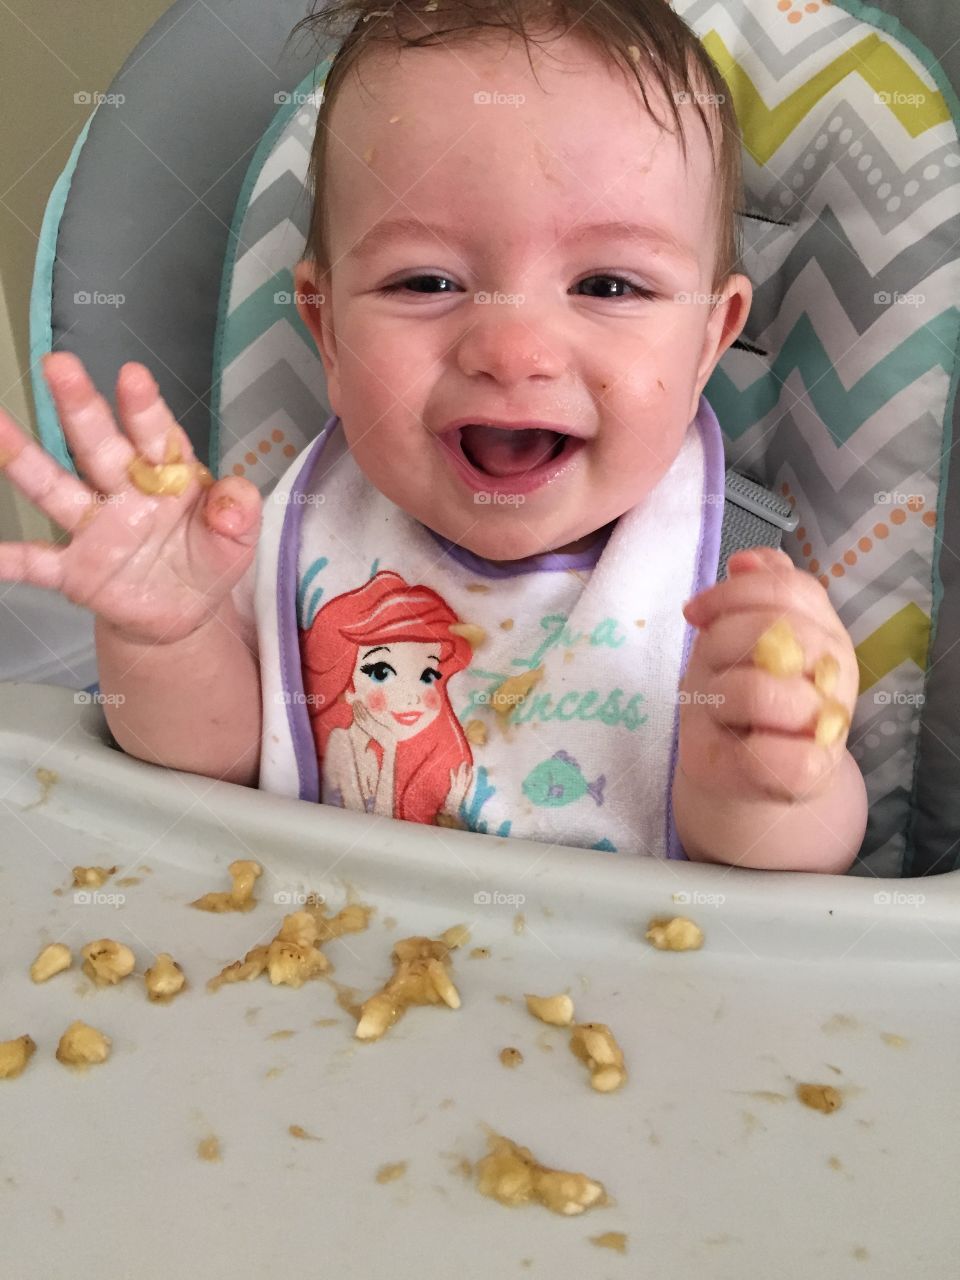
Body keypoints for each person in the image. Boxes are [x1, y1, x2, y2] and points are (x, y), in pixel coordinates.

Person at [0, 0, 867, 870]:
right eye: (426, 280)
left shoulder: (733, 584)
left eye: (608, 286)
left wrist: (772, 775)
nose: (511, 350)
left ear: (710, 340)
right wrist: (165, 637)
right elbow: (212, 768)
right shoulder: (293, 533)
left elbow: (797, 886)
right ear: (328, 331)